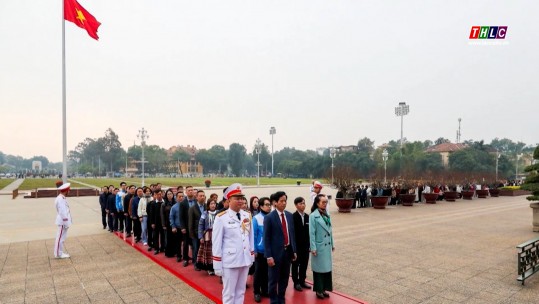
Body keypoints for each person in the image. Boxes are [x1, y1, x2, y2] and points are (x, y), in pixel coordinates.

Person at [212, 183, 255, 304]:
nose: (240, 201)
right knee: (229, 293)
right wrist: (217, 264)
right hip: (230, 261)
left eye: (242, 198)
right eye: (237, 198)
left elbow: (250, 237)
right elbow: (216, 242)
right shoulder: (221, 218)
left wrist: (251, 255)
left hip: (245, 259)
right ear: (229, 200)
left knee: (241, 291)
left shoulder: (247, 215)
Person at [264, 191, 297, 304]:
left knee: (285, 279)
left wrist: (294, 250)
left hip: (287, 253)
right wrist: (269, 256)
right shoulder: (269, 218)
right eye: (281, 201)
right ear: (275, 203)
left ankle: (281, 299)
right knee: (273, 280)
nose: (284, 203)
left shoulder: (289, 215)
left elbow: (291, 234)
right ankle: (273, 300)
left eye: (285, 201)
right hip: (275, 254)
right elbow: (266, 238)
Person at [309, 194, 334, 299]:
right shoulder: (313, 216)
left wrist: (332, 243)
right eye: (323, 202)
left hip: (326, 246)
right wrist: (313, 248)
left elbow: (330, 231)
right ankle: (319, 290)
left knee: (326, 269)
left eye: (326, 202)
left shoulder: (326, 214)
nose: (325, 204)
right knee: (319, 270)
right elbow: (312, 233)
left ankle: (324, 288)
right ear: (317, 203)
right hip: (319, 247)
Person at [252, 197, 271, 302]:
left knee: (267, 273)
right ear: (261, 206)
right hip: (259, 251)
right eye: (267, 205)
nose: (269, 207)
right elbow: (253, 235)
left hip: (269, 251)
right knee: (258, 272)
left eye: (269, 205)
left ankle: (265, 290)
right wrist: (254, 249)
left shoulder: (272, 217)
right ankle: (256, 292)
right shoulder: (256, 218)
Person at [291, 197, 310, 292]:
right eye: (300, 203)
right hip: (296, 247)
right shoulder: (292, 217)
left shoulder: (307, 217)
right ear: (296, 205)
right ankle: (296, 282)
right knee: (295, 265)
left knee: (304, 264)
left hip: (305, 246)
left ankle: (302, 280)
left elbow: (310, 232)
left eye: (304, 203)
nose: (302, 205)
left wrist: (310, 245)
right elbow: (292, 234)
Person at [197, 198, 218, 275]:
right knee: (209, 252)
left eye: (214, 204)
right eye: (211, 204)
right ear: (208, 205)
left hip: (216, 235)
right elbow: (200, 225)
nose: (213, 205)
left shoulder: (218, 213)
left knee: (216, 251)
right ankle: (209, 268)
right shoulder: (205, 213)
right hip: (207, 235)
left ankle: (216, 267)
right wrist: (201, 237)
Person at [54, 182, 72, 259]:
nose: (69, 192)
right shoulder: (61, 199)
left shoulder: (61, 198)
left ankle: (59, 252)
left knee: (61, 238)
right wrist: (66, 223)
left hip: (62, 221)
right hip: (62, 222)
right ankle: (59, 254)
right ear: (66, 190)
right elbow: (62, 212)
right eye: (69, 190)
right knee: (60, 238)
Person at [189, 190, 206, 270]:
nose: (202, 197)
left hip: (206, 233)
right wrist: (191, 234)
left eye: (203, 196)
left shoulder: (207, 206)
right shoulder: (192, 208)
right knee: (196, 249)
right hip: (196, 233)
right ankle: (196, 264)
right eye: (200, 196)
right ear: (197, 197)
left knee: (204, 249)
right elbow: (190, 222)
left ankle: (203, 263)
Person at [180, 186, 196, 267]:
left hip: (195, 227)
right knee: (186, 244)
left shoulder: (196, 201)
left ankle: (195, 259)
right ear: (186, 192)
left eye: (192, 190)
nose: (190, 191)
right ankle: (185, 259)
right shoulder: (183, 203)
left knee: (194, 243)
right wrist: (182, 227)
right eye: (189, 190)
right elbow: (181, 216)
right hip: (186, 227)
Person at [170, 191, 184, 262]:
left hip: (185, 228)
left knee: (186, 243)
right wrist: (173, 226)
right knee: (178, 243)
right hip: (178, 228)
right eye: (179, 197)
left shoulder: (186, 206)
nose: (181, 198)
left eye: (182, 196)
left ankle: (185, 256)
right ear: (176, 198)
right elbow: (171, 217)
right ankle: (179, 255)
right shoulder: (174, 207)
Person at [161, 189, 176, 257]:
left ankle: (175, 251)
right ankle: (169, 253)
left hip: (175, 223)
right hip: (167, 223)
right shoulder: (164, 204)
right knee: (168, 238)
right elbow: (162, 215)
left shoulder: (175, 203)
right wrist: (163, 224)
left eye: (170, 194)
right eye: (168, 194)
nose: (169, 195)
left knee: (174, 238)